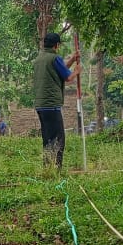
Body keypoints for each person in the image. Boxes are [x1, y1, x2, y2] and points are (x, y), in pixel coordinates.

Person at [31, 32, 80, 170]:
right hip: (52, 105)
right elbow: (68, 77)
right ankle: (56, 169)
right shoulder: (54, 58)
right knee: (58, 138)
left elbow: (60, 69)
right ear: (56, 45)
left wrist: (72, 59)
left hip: (41, 105)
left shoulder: (39, 59)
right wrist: (77, 71)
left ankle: (47, 167)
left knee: (47, 139)